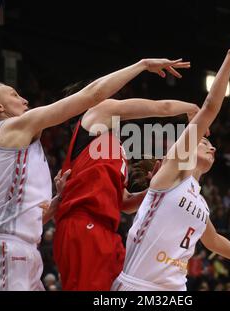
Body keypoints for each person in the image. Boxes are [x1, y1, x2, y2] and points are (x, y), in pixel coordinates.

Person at [0, 58, 188, 291]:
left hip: (23, 250)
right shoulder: (12, 128)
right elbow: (92, 95)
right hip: (1, 250)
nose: (24, 99)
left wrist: (60, 199)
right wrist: (141, 65)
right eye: (14, 95)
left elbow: (30, 218)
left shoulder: (13, 146)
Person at [112, 28, 230, 291]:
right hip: (139, 285)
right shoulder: (171, 175)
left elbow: (213, 240)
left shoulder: (200, 202)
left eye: (211, 144)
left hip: (176, 288)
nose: (211, 147)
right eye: (204, 142)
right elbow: (209, 108)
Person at [52, 88, 200, 290]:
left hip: (107, 230)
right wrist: (191, 109)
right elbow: (161, 107)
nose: (111, 98)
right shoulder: (95, 116)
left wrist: (155, 187)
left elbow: (125, 202)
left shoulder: (115, 147)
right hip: (84, 223)